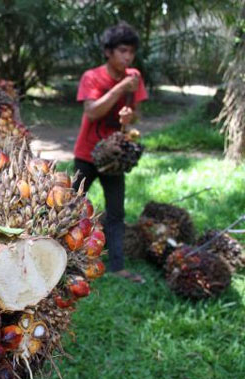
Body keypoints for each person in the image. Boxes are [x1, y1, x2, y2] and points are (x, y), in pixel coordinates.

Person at [72, 22, 147, 283]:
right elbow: (91, 111)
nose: (128, 57)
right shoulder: (92, 77)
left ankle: (117, 266)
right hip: (86, 153)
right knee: (70, 206)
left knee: (116, 212)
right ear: (108, 52)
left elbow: (136, 115)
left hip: (114, 158)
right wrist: (119, 89)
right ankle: (63, 257)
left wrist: (130, 115)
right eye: (123, 51)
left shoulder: (133, 77)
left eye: (131, 53)